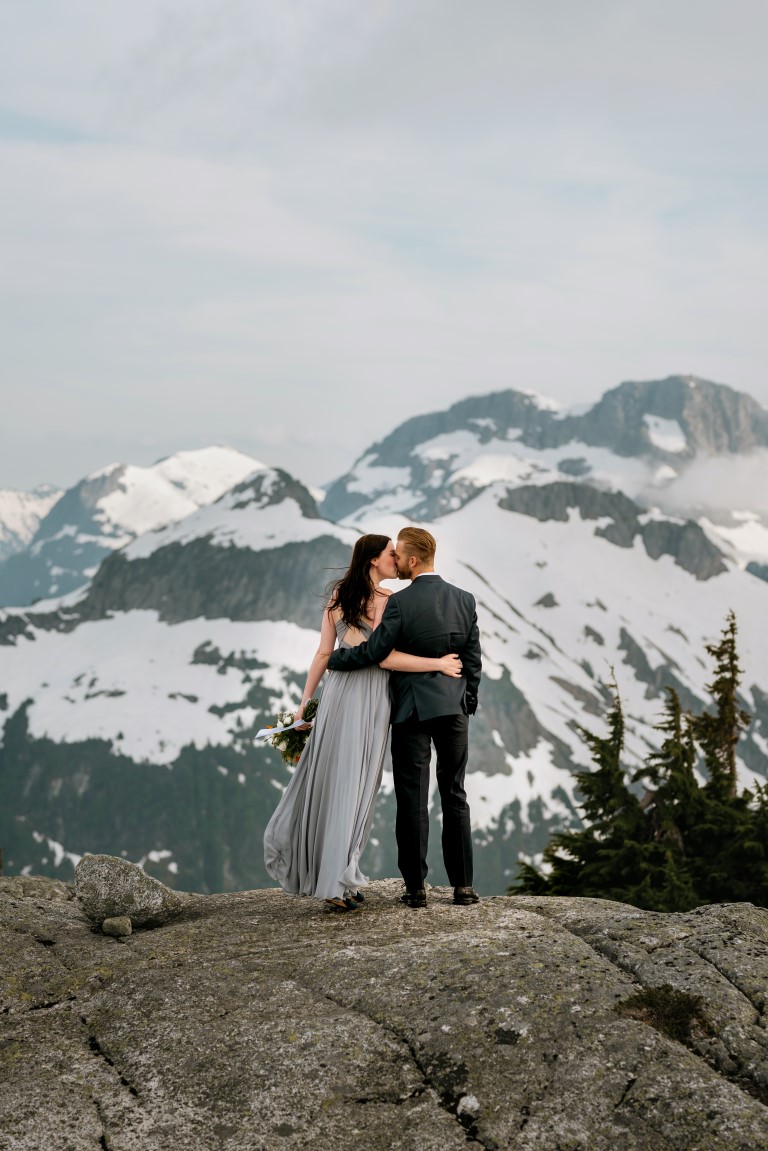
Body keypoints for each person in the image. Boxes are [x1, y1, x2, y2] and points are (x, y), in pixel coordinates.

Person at [263, 534, 463, 911]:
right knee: (356, 786)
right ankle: (339, 881)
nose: (397, 561)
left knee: (334, 780)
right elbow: (385, 659)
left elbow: (324, 653)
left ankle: (337, 876)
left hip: (338, 693)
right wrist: (439, 664)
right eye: (391, 554)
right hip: (370, 697)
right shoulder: (387, 602)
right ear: (374, 561)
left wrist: (306, 705)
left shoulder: (339, 596)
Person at [327, 526, 482, 908]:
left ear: (412, 560)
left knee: (412, 799)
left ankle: (416, 889)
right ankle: (463, 888)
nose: (394, 560)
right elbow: (473, 658)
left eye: (398, 555)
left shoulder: (400, 602)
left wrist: (336, 659)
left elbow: (376, 651)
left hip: (412, 710)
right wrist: (468, 700)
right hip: (453, 709)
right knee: (455, 794)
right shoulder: (465, 599)